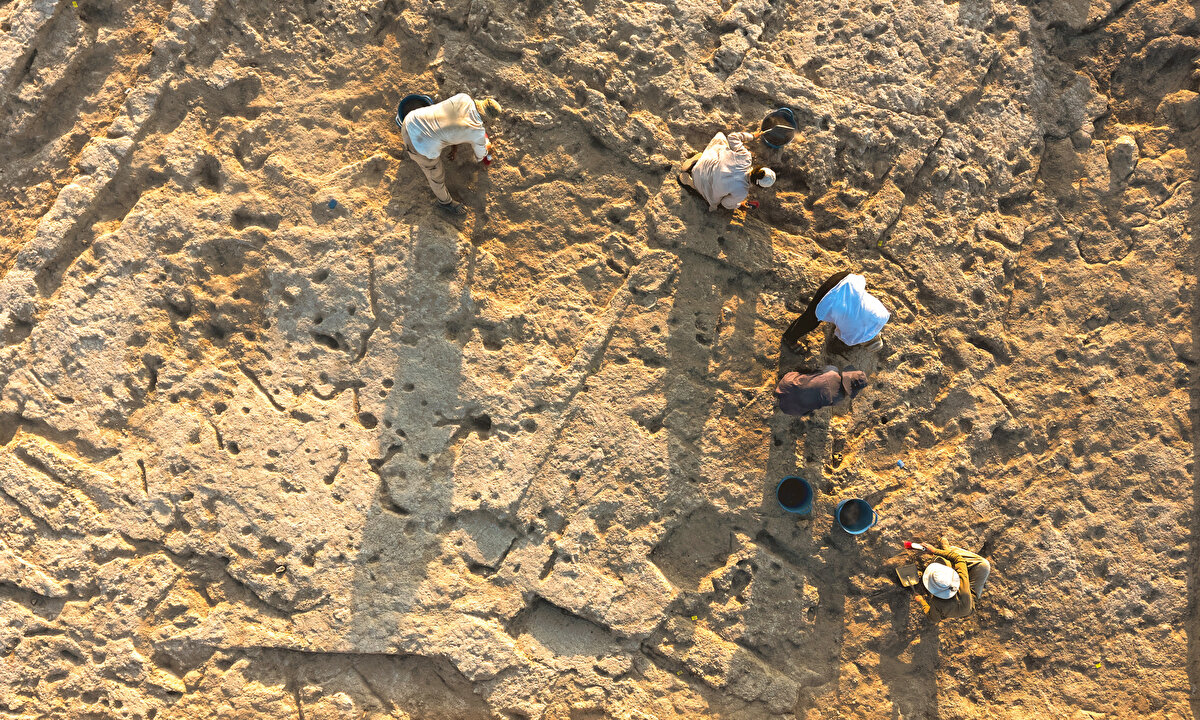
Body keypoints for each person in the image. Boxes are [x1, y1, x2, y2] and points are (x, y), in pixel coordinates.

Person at [399, 94, 502, 214]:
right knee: (436, 175)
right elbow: (481, 156)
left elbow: (451, 122)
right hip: (419, 147)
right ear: (487, 119)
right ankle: (445, 203)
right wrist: (487, 148)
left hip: (409, 121)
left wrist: (454, 149)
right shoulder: (476, 132)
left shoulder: (464, 98)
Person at [781, 271, 889, 352]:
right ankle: (790, 338)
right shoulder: (853, 339)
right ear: (864, 344)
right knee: (811, 321)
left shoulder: (883, 316)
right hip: (827, 298)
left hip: (845, 278)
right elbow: (837, 332)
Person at [678, 131, 775, 212]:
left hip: (706, 162)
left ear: (759, 168)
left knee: (720, 137)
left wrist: (752, 136)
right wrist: (739, 205)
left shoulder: (746, 157)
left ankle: (697, 160)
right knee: (715, 201)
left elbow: (732, 137)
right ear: (758, 185)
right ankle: (691, 183)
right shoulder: (742, 192)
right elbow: (725, 203)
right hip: (701, 181)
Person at [913, 536, 991, 621]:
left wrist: (921, 601)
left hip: (963, 604)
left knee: (943, 560)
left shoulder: (937, 603)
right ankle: (947, 551)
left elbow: (932, 618)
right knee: (983, 565)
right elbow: (957, 558)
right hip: (970, 600)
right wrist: (935, 551)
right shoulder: (962, 582)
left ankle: (946, 553)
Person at [774, 365, 867, 416]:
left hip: (786, 384)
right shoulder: (837, 399)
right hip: (790, 409)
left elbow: (811, 370)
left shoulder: (832, 371)